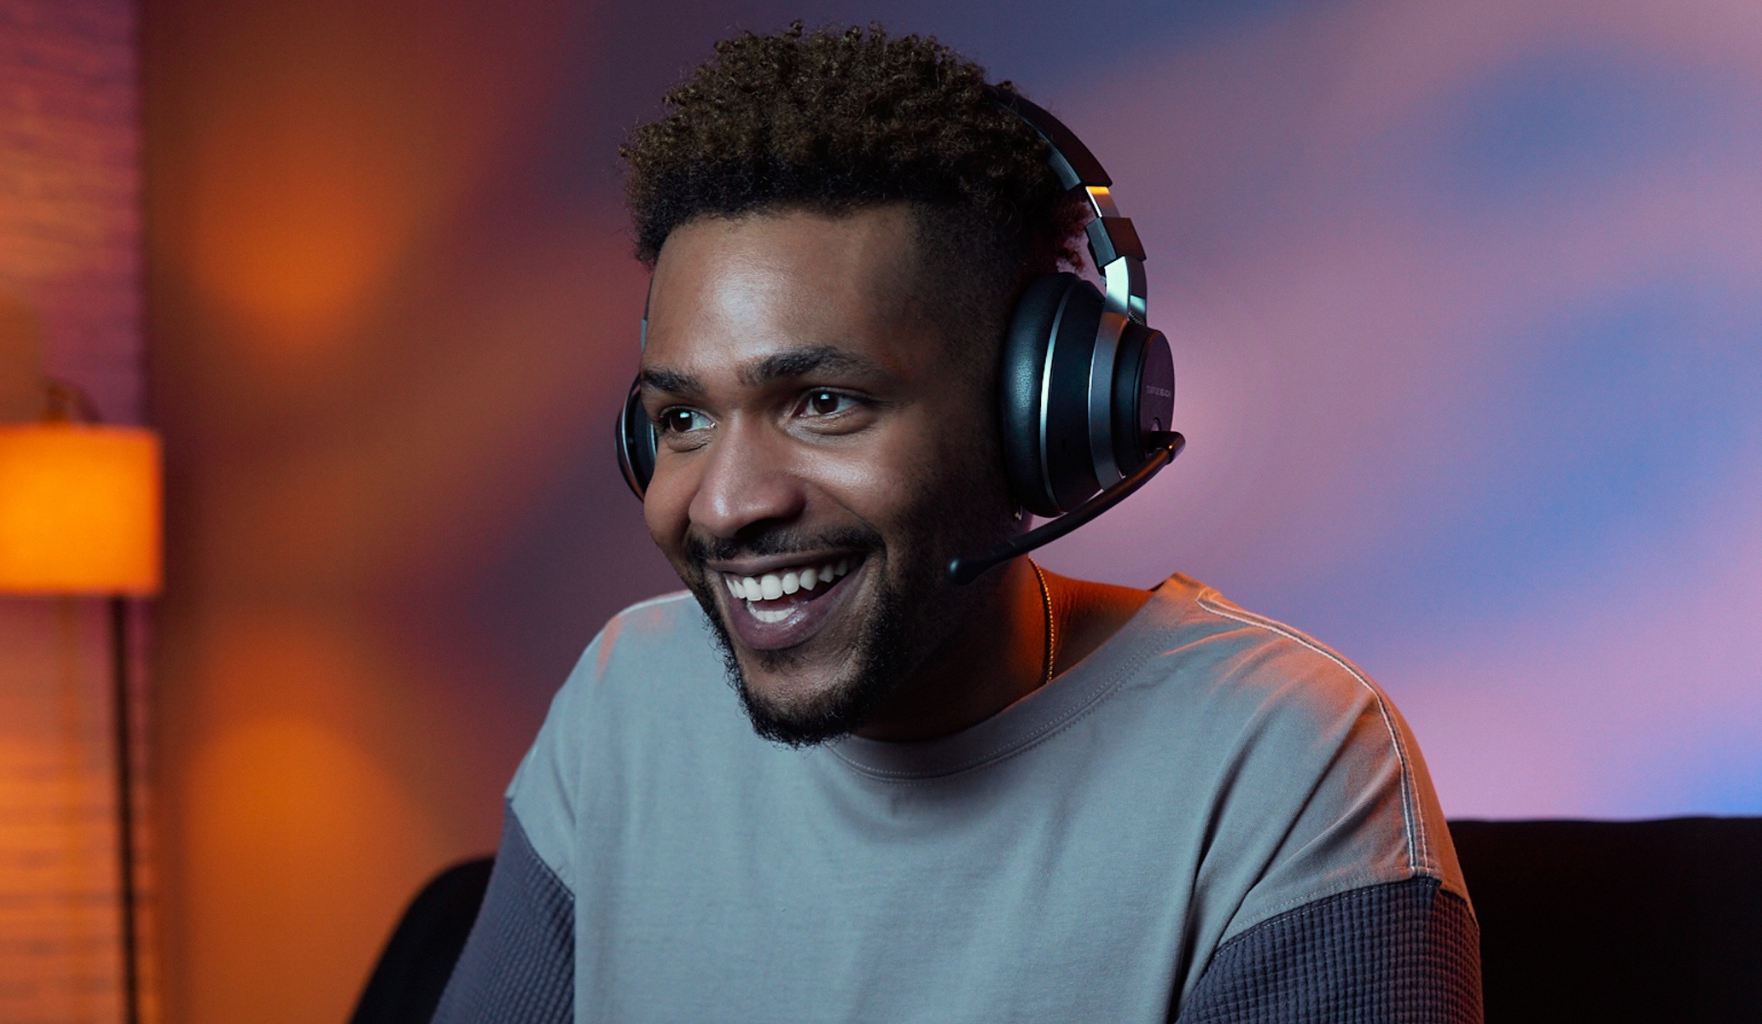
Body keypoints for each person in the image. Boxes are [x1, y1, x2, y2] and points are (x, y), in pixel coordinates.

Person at [431, 25, 1480, 1024]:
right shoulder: (627, 702)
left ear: (1040, 413)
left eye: (823, 402)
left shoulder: (1281, 760)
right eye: (684, 419)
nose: (724, 504)